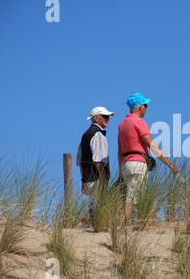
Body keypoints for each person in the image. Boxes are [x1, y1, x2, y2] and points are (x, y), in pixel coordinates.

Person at [118, 93, 179, 222]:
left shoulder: (122, 124)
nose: (146, 108)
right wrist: (170, 165)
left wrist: (120, 170)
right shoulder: (139, 122)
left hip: (125, 164)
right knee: (132, 199)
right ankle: (123, 226)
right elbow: (152, 145)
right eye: (145, 105)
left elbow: (119, 150)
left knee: (134, 196)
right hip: (137, 163)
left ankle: (140, 223)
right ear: (140, 107)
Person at [76, 106, 114, 229]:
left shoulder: (85, 135)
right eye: (105, 116)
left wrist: (83, 180)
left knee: (92, 206)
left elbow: (80, 161)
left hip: (88, 179)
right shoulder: (97, 134)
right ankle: (90, 226)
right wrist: (103, 178)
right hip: (97, 178)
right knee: (97, 207)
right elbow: (98, 160)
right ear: (96, 118)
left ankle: (82, 224)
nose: (108, 119)